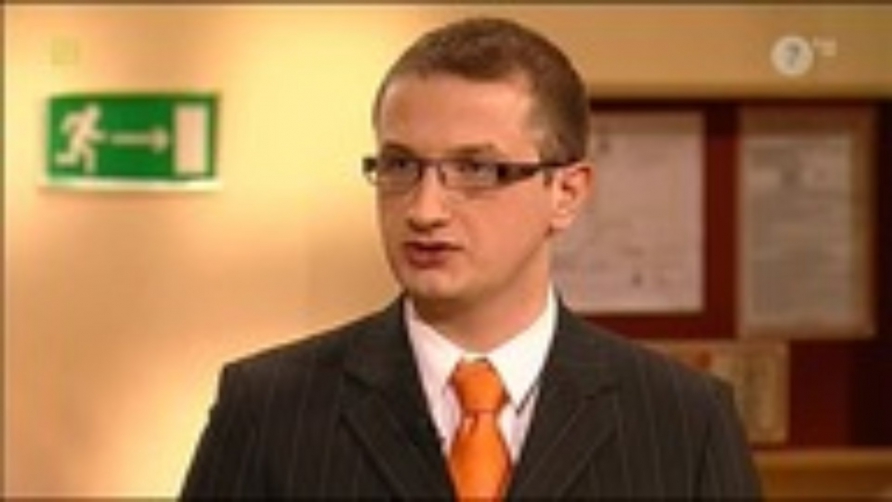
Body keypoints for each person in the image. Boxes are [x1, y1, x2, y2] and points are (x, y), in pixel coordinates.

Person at [181, 16, 761, 499]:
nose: (424, 209)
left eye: (476, 169)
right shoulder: (267, 408)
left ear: (566, 193)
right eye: (400, 165)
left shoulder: (684, 420)